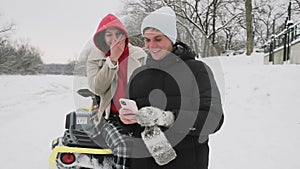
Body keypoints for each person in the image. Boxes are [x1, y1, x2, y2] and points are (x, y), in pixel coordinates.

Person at [119, 6, 224, 169]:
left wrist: (168, 118)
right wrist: (127, 118)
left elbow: (214, 119)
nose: (151, 45)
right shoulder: (138, 75)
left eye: (158, 39)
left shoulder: (197, 70)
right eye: (147, 39)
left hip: (187, 162)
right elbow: (131, 125)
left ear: (171, 38)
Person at [86, 13, 147, 169]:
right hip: (109, 116)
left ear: (124, 35)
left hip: (136, 114)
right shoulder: (95, 58)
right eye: (109, 35)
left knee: (154, 146)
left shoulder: (140, 56)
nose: (114, 38)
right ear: (102, 38)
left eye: (118, 34)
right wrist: (112, 61)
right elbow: (97, 88)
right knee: (122, 147)